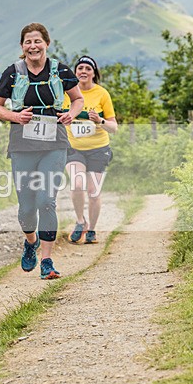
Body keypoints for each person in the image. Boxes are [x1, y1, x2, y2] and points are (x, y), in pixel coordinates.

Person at [0, 23, 84, 280]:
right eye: (28, 42)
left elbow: (77, 99)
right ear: (22, 47)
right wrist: (15, 116)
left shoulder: (60, 70)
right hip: (22, 145)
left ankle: (47, 261)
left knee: (46, 200)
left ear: (46, 44)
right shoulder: (13, 73)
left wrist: (70, 115)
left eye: (37, 41)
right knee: (26, 206)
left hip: (54, 143)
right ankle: (31, 242)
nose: (33, 46)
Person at [63, 56, 118, 244]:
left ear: (94, 73)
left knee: (93, 191)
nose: (83, 71)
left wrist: (100, 121)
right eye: (80, 68)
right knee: (77, 184)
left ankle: (92, 230)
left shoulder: (102, 94)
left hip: (98, 149)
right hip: (73, 148)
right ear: (75, 72)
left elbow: (114, 127)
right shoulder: (66, 93)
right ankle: (80, 222)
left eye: (88, 68)